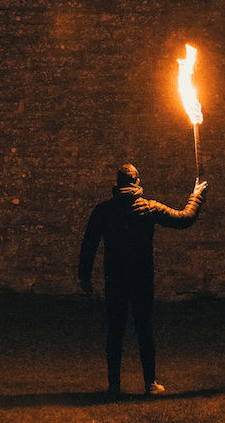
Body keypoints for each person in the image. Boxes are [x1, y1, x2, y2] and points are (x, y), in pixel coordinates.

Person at [78, 163, 208, 397]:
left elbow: (89, 244)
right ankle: (150, 383)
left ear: (118, 184)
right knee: (144, 329)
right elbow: (184, 218)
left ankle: (114, 386)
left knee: (115, 330)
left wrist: (84, 277)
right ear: (137, 182)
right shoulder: (149, 207)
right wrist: (196, 196)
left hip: (114, 278)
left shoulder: (103, 210)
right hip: (142, 278)